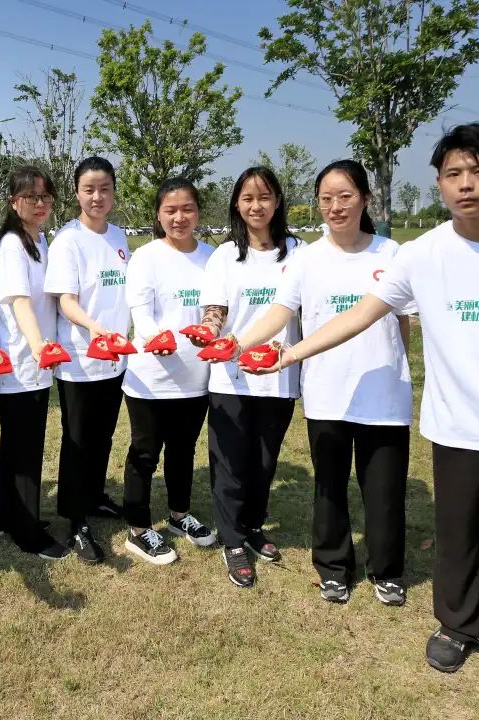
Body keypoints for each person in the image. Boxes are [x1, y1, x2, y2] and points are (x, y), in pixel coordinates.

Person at [259, 123, 479, 712]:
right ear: (438, 182)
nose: (466, 185)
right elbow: (362, 314)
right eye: (453, 174)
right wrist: (289, 354)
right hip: (456, 424)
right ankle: (458, 626)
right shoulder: (421, 254)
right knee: (456, 535)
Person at [236, 160, 414, 606]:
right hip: (327, 392)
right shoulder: (306, 259)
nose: (336, 207)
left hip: (384, 392)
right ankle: (333, 568)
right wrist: (237, 345)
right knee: (329, 485)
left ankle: (387, 570)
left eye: (345, 196)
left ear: (365, 200)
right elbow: (280, 312)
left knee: (384, 490)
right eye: (326, 199)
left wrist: (398, 364)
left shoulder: (391, 254)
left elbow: (403, 322)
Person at [195, 166, 304, 588]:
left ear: (277, 201)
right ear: (237, 205)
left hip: (278, 375)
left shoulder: (298, 252)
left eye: (264, 197)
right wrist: (207, 331)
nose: (256, 206)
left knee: (263, 459)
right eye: (247, 198)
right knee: (230, 462)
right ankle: (233, 539)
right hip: (232, 377)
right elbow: (216, 310)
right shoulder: (225, 255)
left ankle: (254, 526)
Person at [120, 178, 216, 565]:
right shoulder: (146, 257)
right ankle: (138, 529)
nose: (179, 217)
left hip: (196, 378)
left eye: (187, 209)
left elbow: (216, 310)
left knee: (183, 450)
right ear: (158, 215)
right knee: (144, 453)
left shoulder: (212, 257)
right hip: (152, 378)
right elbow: (140, 313)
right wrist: (158, 340)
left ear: (198, 212)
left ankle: (179, 516)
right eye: (170, 210)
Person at [43, 156, 130, 563]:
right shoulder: (68, 240)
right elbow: (65, 300)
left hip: (116, 359)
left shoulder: (119, 236)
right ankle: (76, 520)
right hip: (81, 358)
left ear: (113, 192)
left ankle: (94, 497)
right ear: (77, 193)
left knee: (104, 435)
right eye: (89, 189)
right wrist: (95, 328)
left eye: (104, 189)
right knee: (78, 440)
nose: (97, 197)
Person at [0, 166, 69, 560]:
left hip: (36, 363)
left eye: (45, 196)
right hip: (23, 364)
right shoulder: (11, 246)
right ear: (13, 202)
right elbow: (19, 301)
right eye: (31, 197)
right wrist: (39, 347)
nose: (40, 204)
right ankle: (27, 532)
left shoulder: (38, 240)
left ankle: (7, 516)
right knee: (25, 450)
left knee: (15, 445)